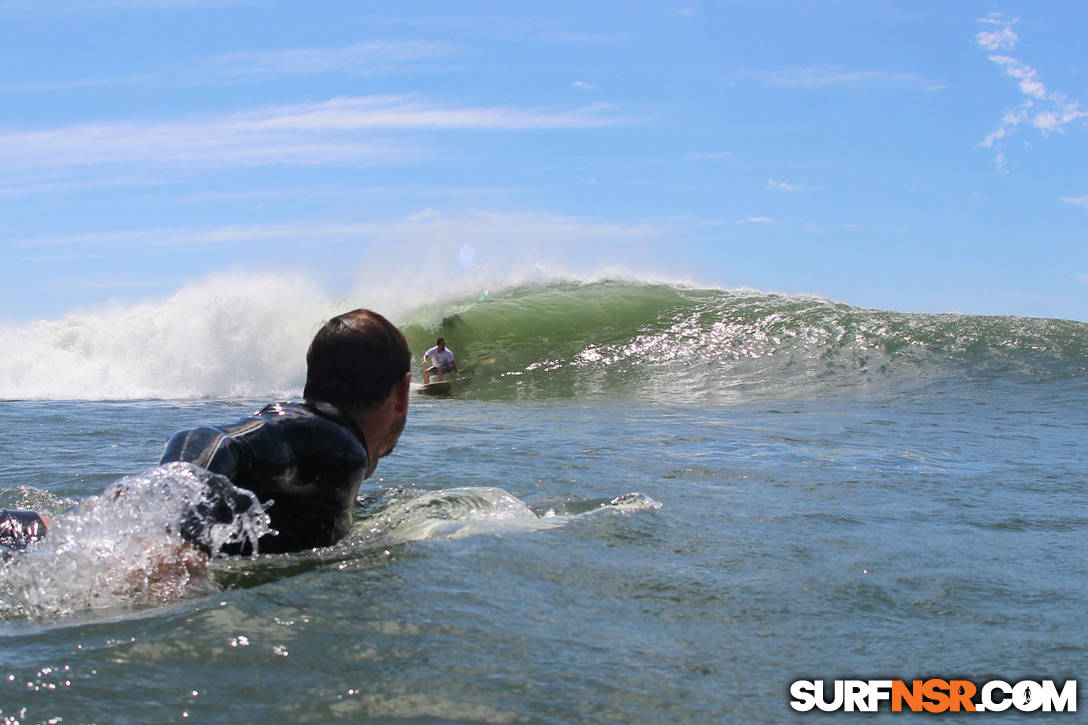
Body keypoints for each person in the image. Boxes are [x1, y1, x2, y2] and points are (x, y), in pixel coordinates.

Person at [0, 308, 412, 557]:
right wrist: (173, 542)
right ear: (402, 392)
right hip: (51, 552)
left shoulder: (325, 451)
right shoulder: (336, 445)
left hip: (43, 540)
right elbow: (209, 439)